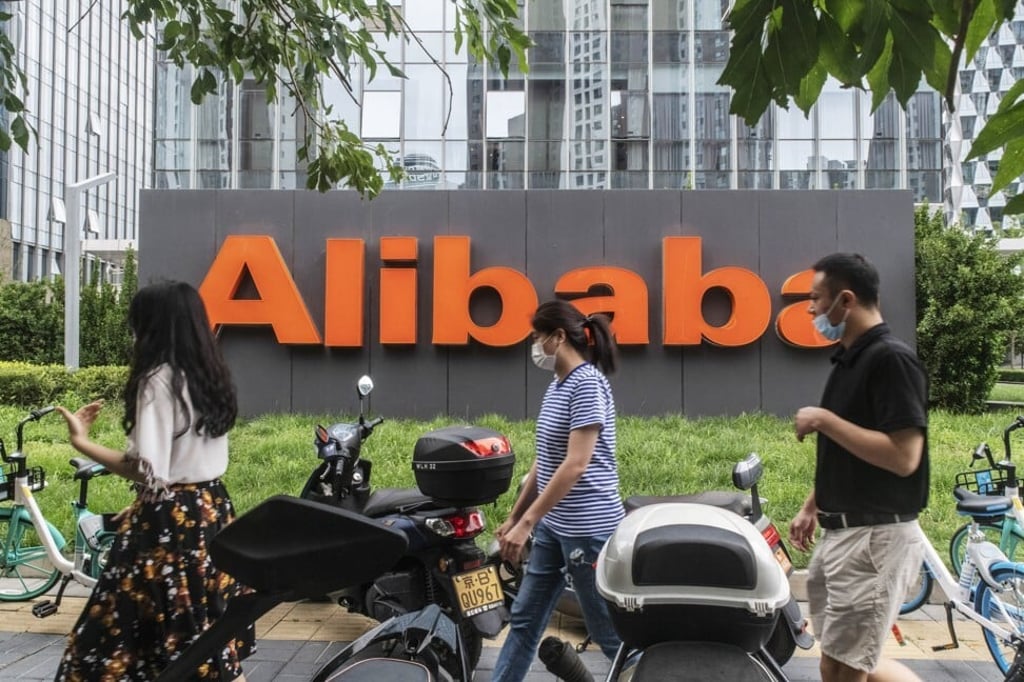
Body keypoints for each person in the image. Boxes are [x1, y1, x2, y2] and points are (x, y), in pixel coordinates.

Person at [53, 281, 253, 682]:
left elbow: (148, 470)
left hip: (167, 524)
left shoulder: (158, 380)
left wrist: (82, 442)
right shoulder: (209, 375)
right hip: (211, 510)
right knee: (202, 634)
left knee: (110, 635)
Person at [789, 253, 929, 682]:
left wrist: (823, 419)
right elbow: (851, 447)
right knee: (840, 660)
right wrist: (814, 505)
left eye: (816, 299)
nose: (811, 310)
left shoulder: (891, 360)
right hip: (844, 533)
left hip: (875, 539)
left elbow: (905, 457)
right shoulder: (849, 359)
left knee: (846, 666)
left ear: (845, 300)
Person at [492, 299, 624, 682]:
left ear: (558, 337)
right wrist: (516, 517)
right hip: (554, 525)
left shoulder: (587, 384)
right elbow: (545, 460)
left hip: (589, 528)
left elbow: (576, 464)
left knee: (608, 634)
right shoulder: (558, 385)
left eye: (537, 336)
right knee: (525, 619)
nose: (535, 346)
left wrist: (528, 521)